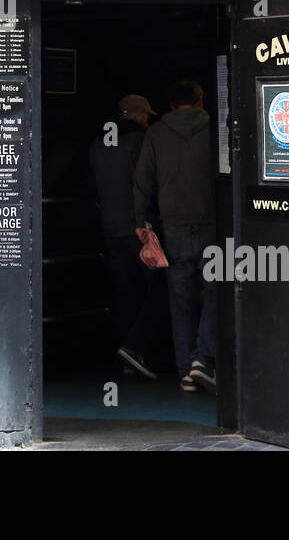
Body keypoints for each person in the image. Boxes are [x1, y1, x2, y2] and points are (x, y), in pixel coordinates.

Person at [133, 79, 217, 393]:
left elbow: (142, 180)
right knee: (215, 293)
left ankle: (185, 371)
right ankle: (203, 358)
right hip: (211, 222)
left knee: (180, 300)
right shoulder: (214, 127)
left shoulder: (155, 133)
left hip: (172, 226)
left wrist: (141, 221)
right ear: (200, 99)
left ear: (170, 105)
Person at [88, 94, 162, 377]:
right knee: (159, 288)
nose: (147, 121)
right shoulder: (138, 141)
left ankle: (127, 356)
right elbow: (146, 183)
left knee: (125, 291)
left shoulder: (98, 143)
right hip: (139, 229)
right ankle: (136, 347)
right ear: (135, 114)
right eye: (145, 116)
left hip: (110, 227)